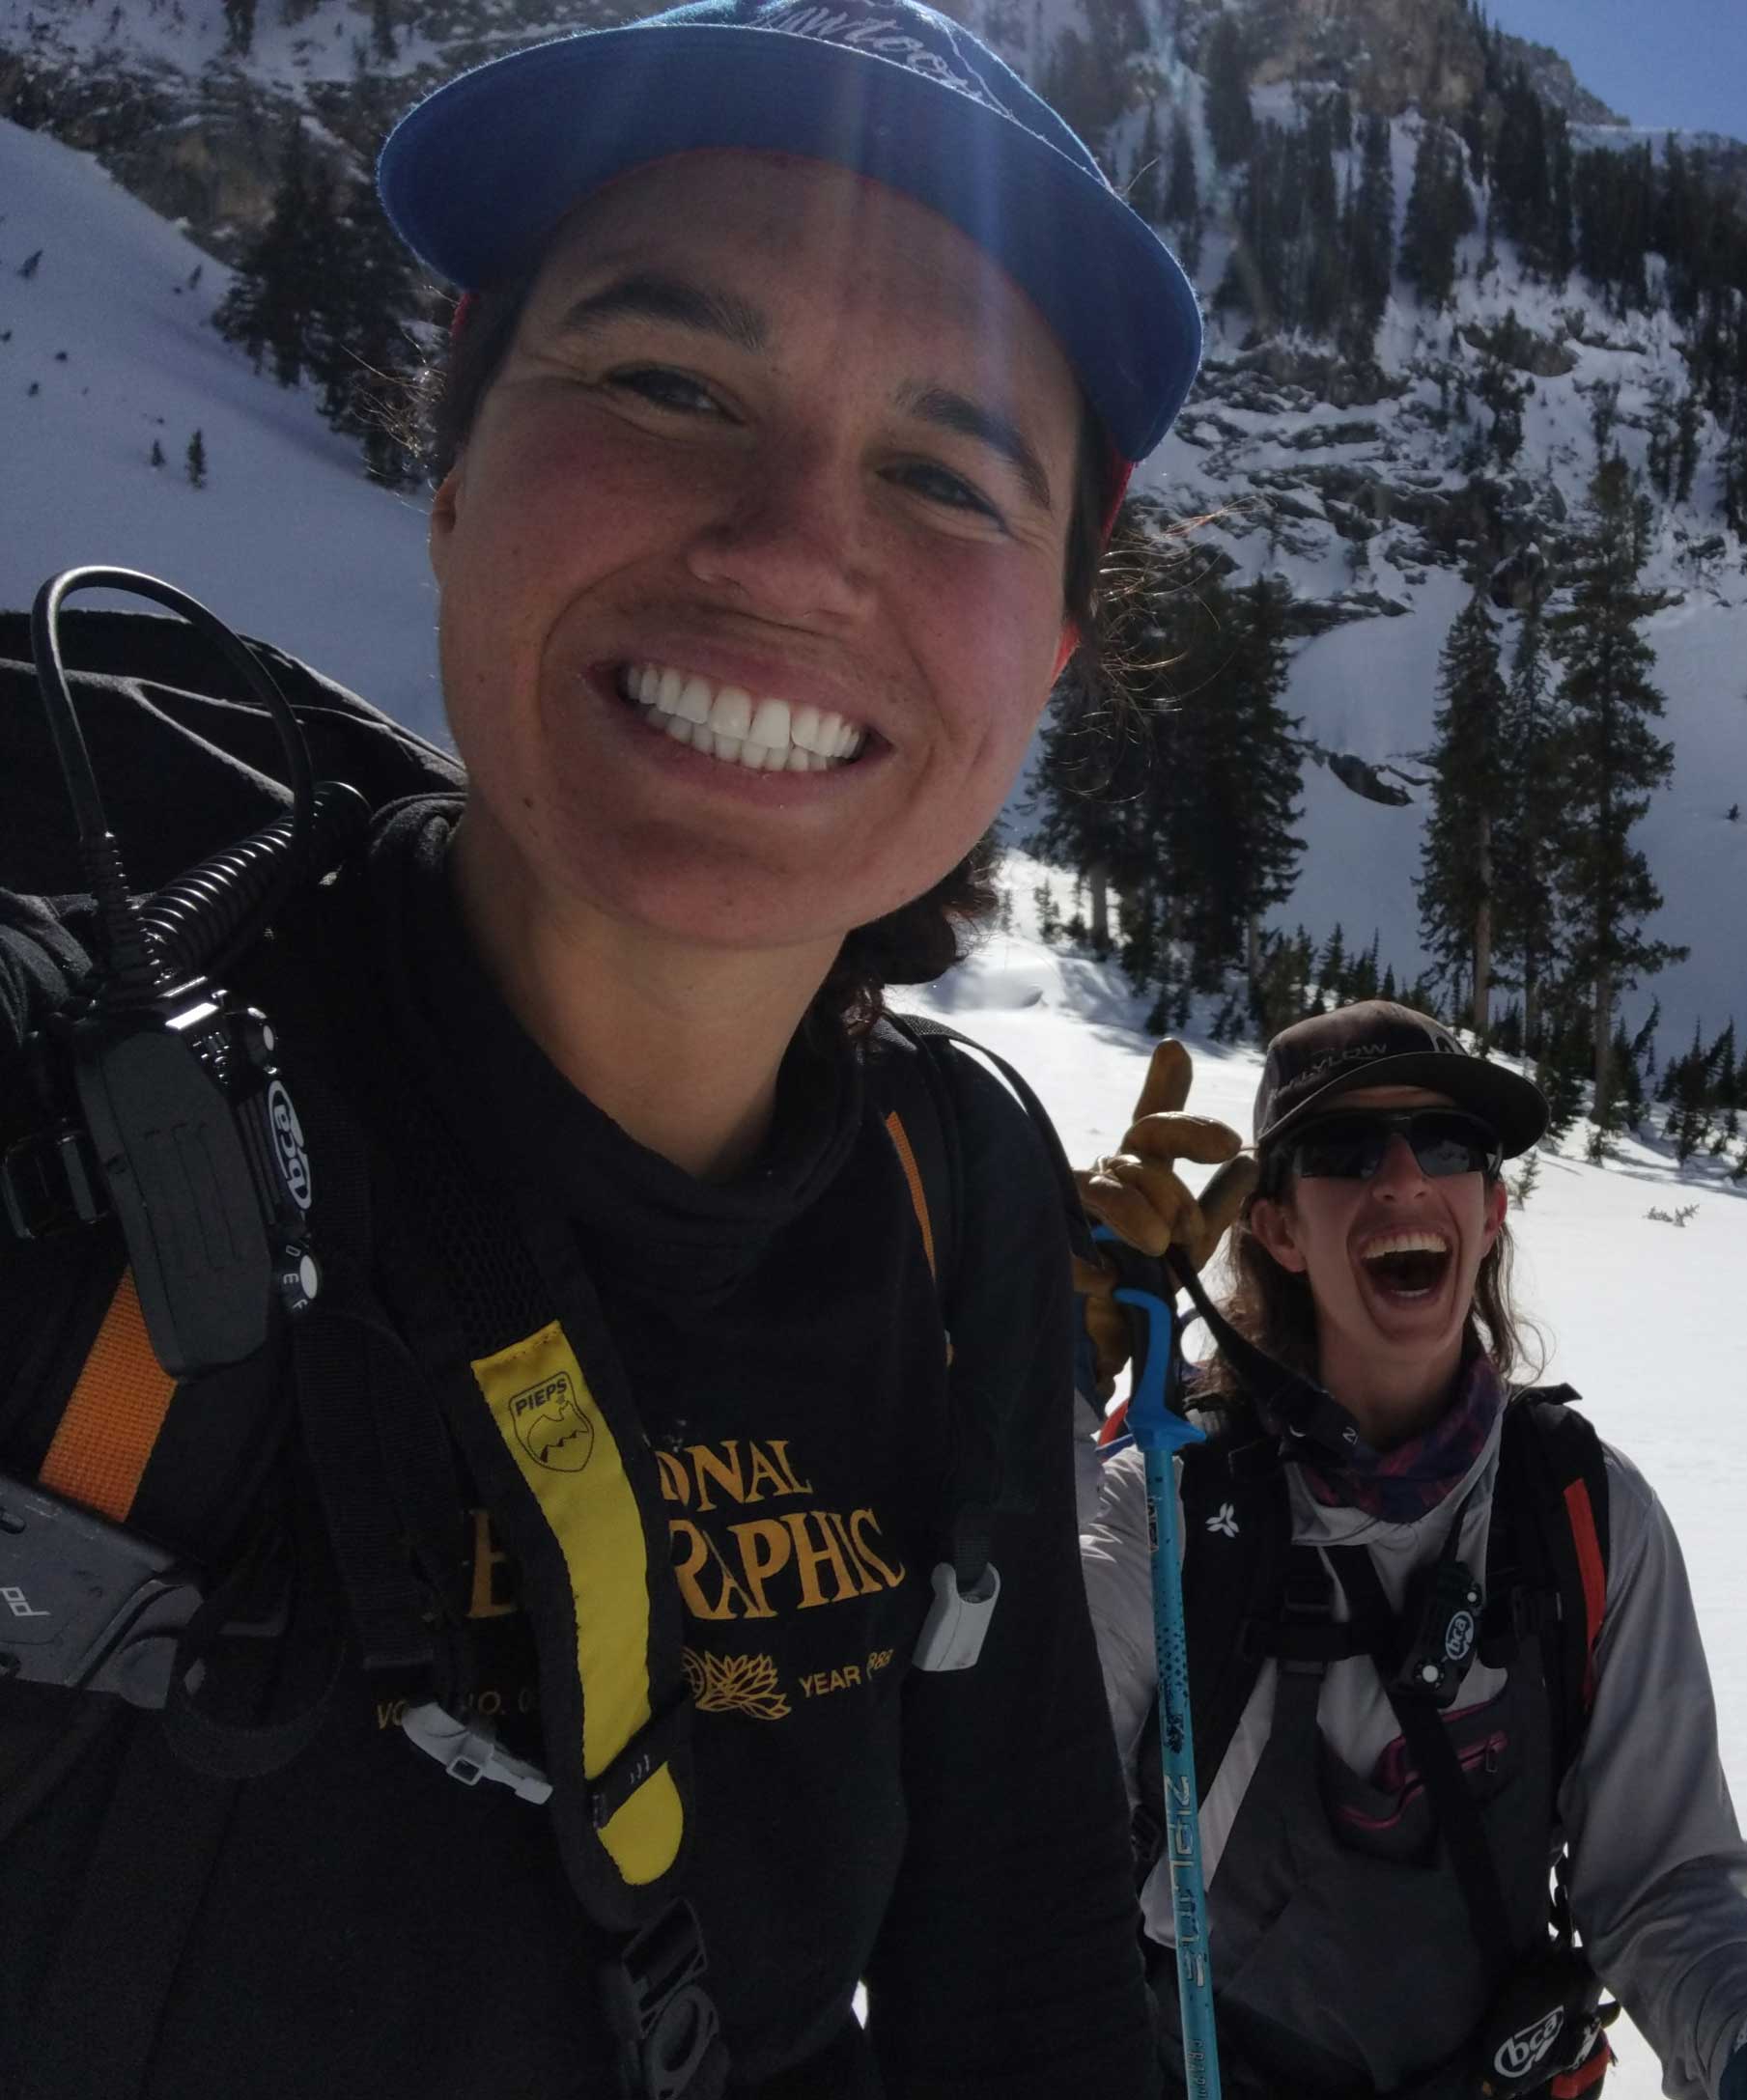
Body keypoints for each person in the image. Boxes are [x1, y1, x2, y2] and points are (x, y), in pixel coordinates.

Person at [0, 3, 1200, 2093]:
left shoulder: (961, 1197)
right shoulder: (73, 1087)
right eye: (668, 380)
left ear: (1057, 652)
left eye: (942, 473)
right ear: (452, 454)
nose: (789, 551)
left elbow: (1011, 1953)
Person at [1074, 1000, 1747, 2100]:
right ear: (1277, 1230)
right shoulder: (1166, 1514)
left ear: (1488, 1210)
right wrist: (1022, 1378)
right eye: (1346, 1151)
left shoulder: (1578, 1513)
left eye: (1447, 1145)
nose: (1402, 1179)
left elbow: (1661, 1884)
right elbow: (1010, 1839)